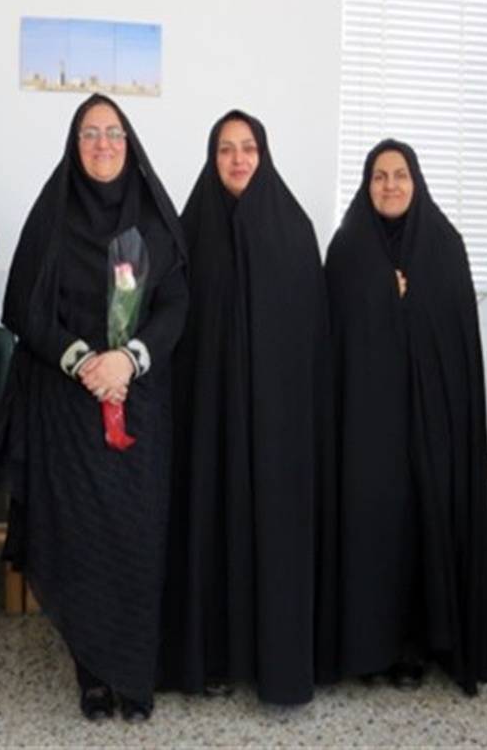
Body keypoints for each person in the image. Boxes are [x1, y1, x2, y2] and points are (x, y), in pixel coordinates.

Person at [0, 93, 188, 723]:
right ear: (74, 145)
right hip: (69, 411)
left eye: (113, 133)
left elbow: (176, 305)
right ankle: (93, 673)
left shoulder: (155, 221)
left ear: (130, 144)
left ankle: (134, 673)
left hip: (139, 407)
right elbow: (24, 307)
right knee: (81, 540)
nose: (102, 144)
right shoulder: (53, 216)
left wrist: (129, 359)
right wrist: (83, 361)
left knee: (137, 539)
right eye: (89, 133)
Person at [159, 110, 333, 706]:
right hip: (206, 419)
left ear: (264, 154)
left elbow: (312, 338)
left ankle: (272, 662)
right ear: (212, 159)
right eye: (226, 149)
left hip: (274, 426)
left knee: (270, 535)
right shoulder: (187, 232)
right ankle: (208, 658)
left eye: (248, 147)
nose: (238, 159)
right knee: (208, 525)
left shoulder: (294, 230)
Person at [324, 139, 487, 694]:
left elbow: (455, 340)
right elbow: (333, 336)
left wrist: (402, 301)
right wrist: (383, 295)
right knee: (372, 528)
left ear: (416, 181)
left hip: (430, 425)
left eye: (400, 175)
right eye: (379, 176)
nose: (390, 186)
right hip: (365, 427)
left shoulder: (445, 246)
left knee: (425, 527)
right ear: (367, 185)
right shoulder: (347, 248)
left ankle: (417, 648)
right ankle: (367, 647)